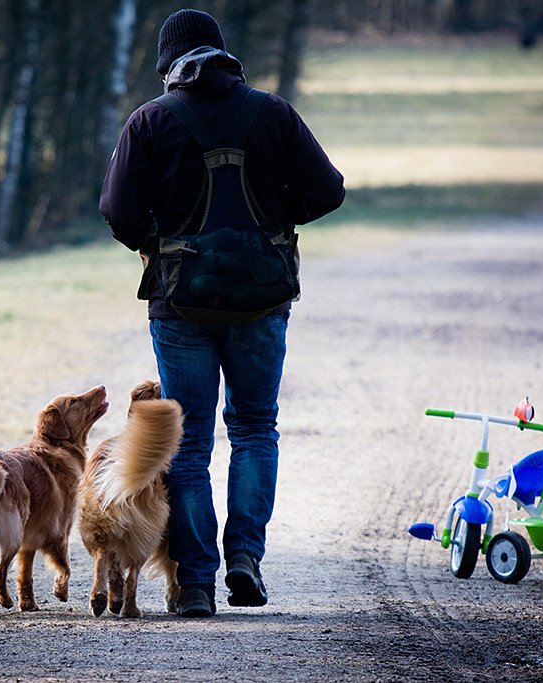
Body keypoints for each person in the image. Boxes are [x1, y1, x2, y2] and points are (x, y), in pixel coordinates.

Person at [99, 9, 345, 618]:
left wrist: (158, 240)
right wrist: (268, 224)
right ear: (221, 55)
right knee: (255, 427)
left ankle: (199, 583)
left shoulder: (151, 120)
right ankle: (246, 557)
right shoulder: (273, 112)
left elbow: (118, 211)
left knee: (187, 447)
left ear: (169, 67)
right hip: (263, 300)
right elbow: (328, 189)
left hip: (179, 301)